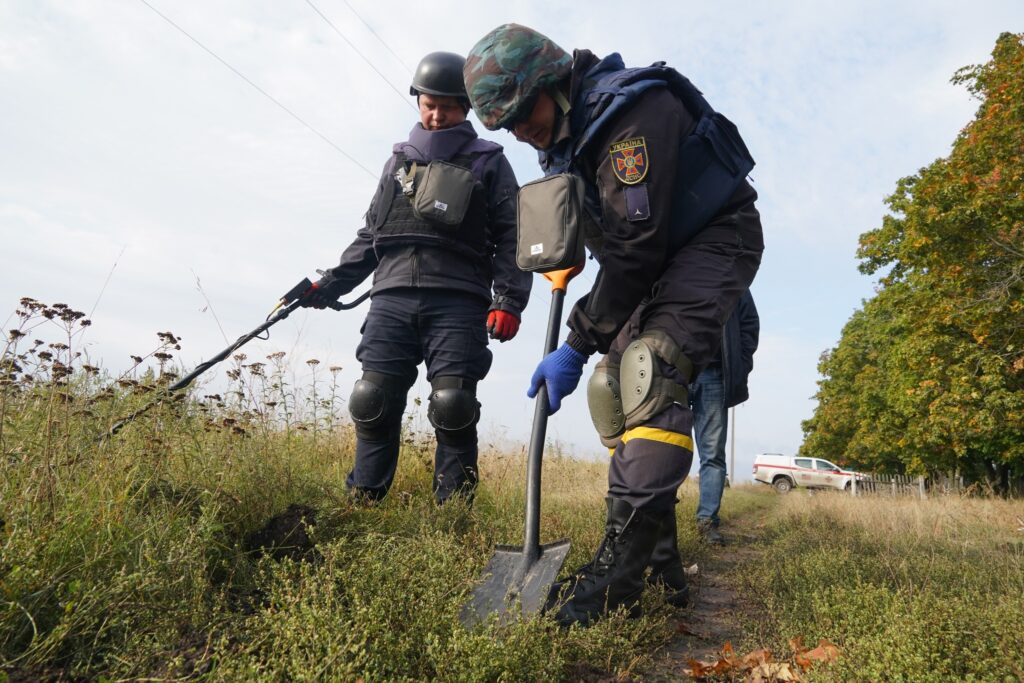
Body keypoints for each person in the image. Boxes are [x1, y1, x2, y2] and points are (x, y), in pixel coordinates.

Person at [464, 25, 764, 626]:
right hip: (648, 258)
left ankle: (617, 575)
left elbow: (636, 247)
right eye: (508, 126)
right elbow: (609, 234)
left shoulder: (633, 113)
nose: (523, 131)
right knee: (613, 392)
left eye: (525, 113)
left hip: (711, 240)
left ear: (554, 83)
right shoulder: (565, 139)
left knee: (652, 372)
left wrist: (575, 342)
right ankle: (658, 566)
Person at [303, 51, 530, 504]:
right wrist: (330, 282)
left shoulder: (489, 162)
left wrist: (507, 301)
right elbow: (373, 233)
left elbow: (514, 237)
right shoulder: (397, 163)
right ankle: (363, 501)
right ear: (419, 102)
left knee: (454, 406)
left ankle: (453, 513)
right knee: (372, 399)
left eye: (447, 104)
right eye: (429, 103)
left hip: (460, 301)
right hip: (391, 296)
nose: (436, 113)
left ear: (465, 107)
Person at [691, 289, 759, 546]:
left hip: (714, 374)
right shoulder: (677, 264)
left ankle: (706, 522)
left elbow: (750, 324)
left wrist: (739, 365)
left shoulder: (734, 275)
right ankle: (657, 523)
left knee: (712, 454)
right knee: (662, 446)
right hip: (672, 370)